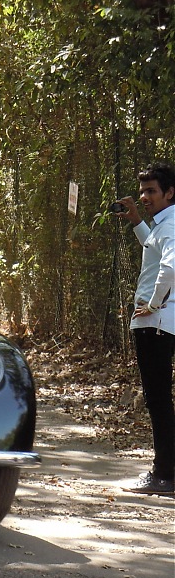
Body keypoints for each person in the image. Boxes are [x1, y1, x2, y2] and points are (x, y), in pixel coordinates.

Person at [115, 162, 175, 495]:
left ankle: (163, 474)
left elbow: (169, 269)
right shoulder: (163, 225)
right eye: (143, 191)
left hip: (155, 323)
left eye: (151, 191)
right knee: (161, 399)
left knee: (158, 400)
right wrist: (138, 220)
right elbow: (155, 251)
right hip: (164, 323)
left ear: (170, 192)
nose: (145, 196)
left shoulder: (170, 226)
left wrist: (152, 305)